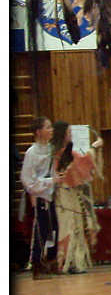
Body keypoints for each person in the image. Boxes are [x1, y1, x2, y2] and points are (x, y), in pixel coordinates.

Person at [51, 121, 103, 274]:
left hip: (71, 194)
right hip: (63, 195)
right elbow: (81, 162)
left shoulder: (67, 151)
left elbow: (82, 161)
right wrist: (94, 147)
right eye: (68, 132)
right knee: (68, 226)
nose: (71, 135)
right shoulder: (56, 153)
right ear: (62, 134)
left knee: (77, 226)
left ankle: (74, 261)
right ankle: (65, 261)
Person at [21, 116, 59, 279]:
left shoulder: (51, 149)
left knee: (54, 229)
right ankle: (36, 264)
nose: (51, 130)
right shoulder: (31, 152)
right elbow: (27, 180)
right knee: (40, 231)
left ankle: (50, 260)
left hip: (50, 196)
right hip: (39, 197)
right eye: (48, 127)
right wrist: (49, 182)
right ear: (38, 132)